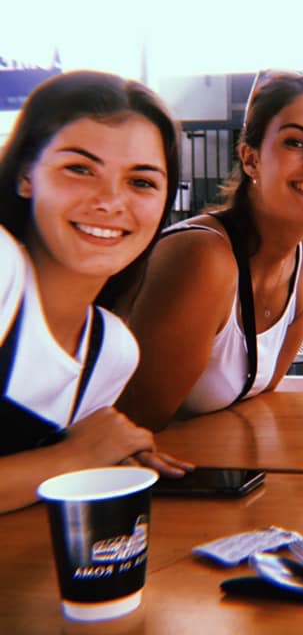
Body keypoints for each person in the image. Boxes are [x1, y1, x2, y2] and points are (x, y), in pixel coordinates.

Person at [116, 71, 303, 431]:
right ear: (250, 159)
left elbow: (258, 396)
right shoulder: (204, 256)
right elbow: (132, 430)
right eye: (296, 142)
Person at [0, 70, 192, 514]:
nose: (109, 201)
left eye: (141, 182)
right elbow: (69, 463)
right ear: (27, 175)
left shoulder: (111, 351)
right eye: (80, 169)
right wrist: (74, 458)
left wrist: (105, 458)